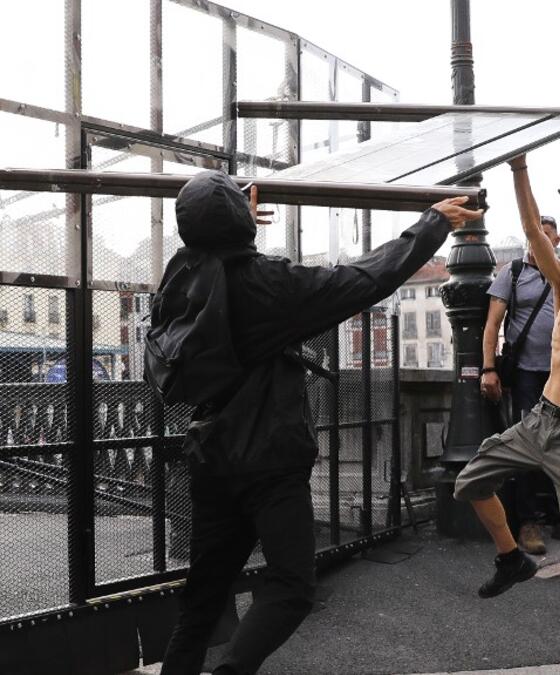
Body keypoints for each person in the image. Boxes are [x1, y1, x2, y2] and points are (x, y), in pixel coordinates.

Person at [159, 171, 481, 674]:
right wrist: (432, 224)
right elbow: (363, 280)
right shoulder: (269, 284)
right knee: (290, 587)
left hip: (213, 454)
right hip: (269, 459)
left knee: (202, 601)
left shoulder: (180, 279)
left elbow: (214, 253)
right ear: (236, 227)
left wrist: (235, 222)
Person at [452, 116, 560, 675]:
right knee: (470, 481)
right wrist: (520, 166)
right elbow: (533, 232)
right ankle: (510, 559)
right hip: (540, 420)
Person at [481, 214, 560, 555]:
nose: (543, 242)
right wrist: (489, 368)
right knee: (529, 445)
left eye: (549, 237)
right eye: (538, 236)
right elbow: (492, 325)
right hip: (527, 374)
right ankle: (528, 522)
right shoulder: (513, 274)